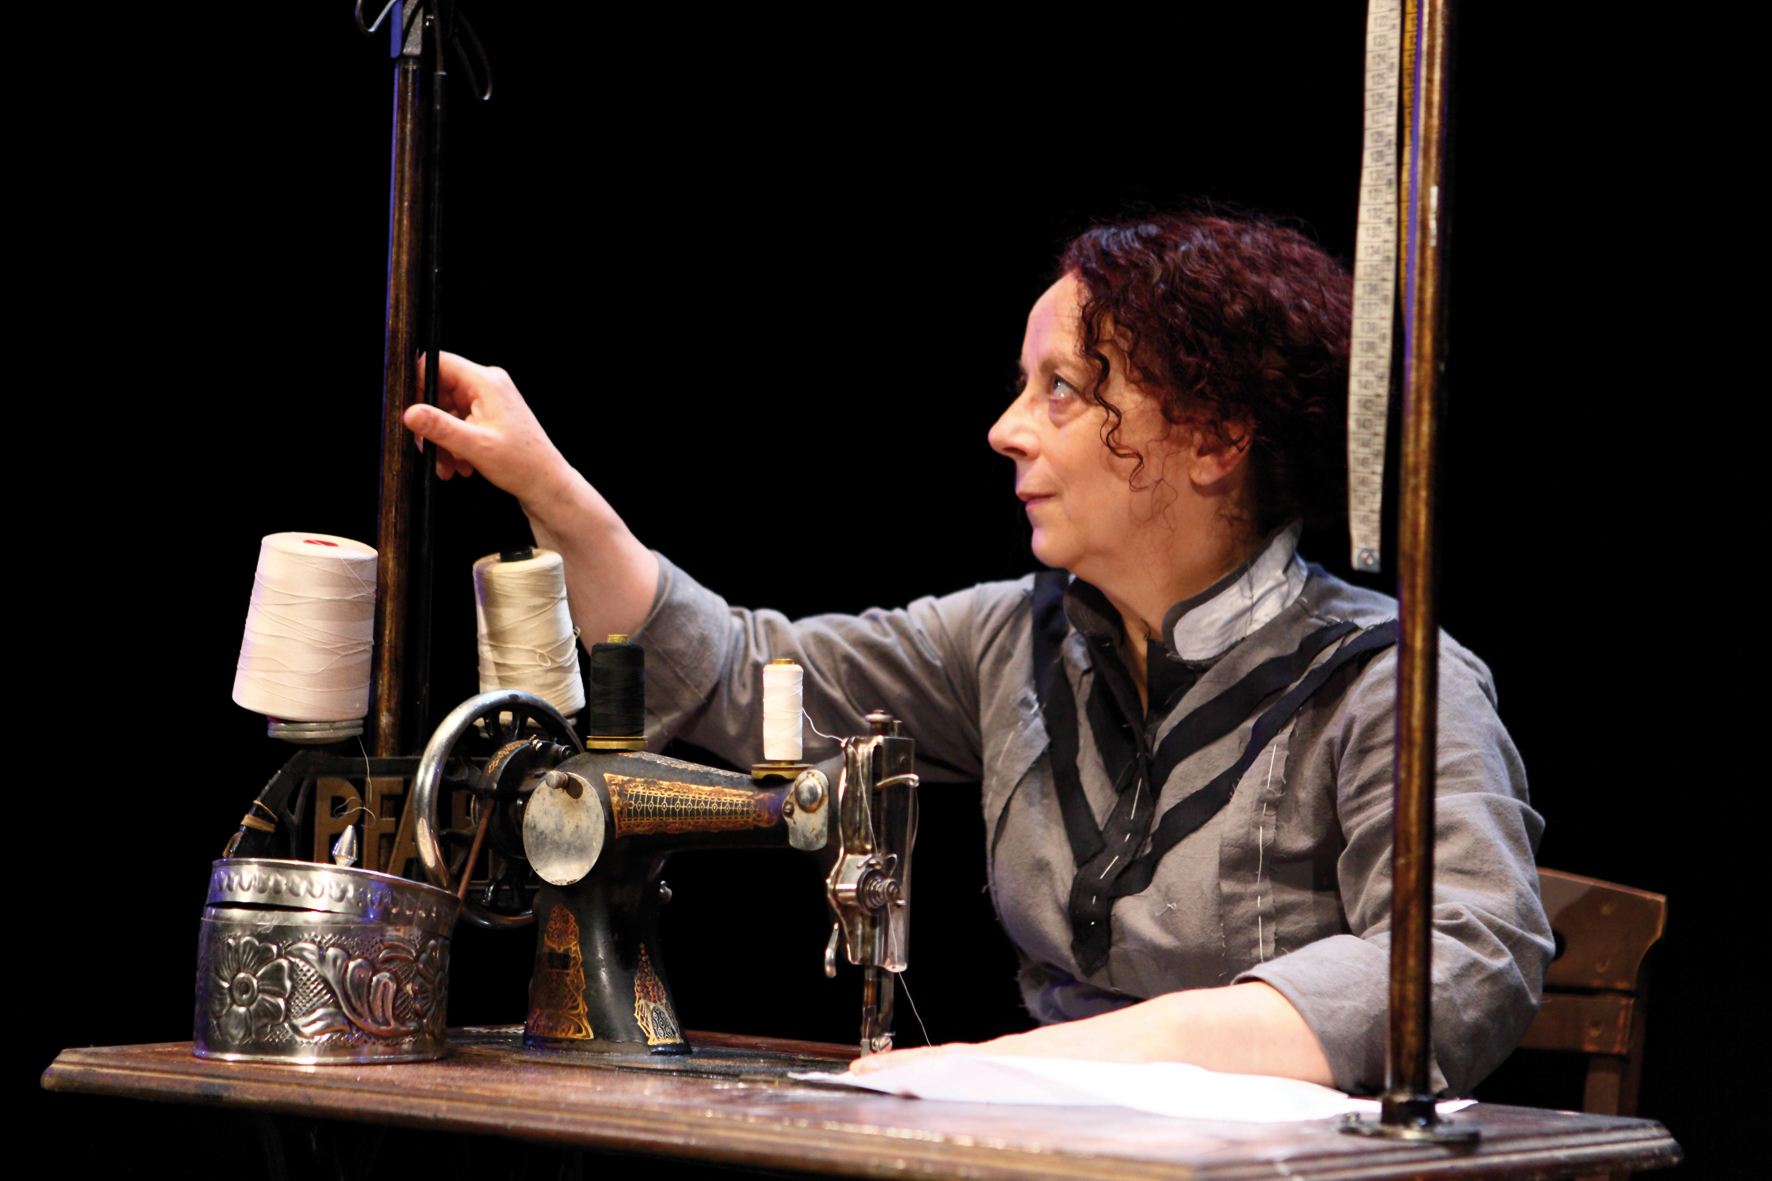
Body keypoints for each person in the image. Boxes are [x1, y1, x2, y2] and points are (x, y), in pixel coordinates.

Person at [403, 212, 1551, 1096]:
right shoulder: (1012, 639)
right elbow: (743, 676)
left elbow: (1459, 956)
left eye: (1061, 391)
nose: (1005, 428)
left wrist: (1040, 1063)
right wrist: (538, 477)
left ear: (1212, 437)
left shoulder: (1385, 682)